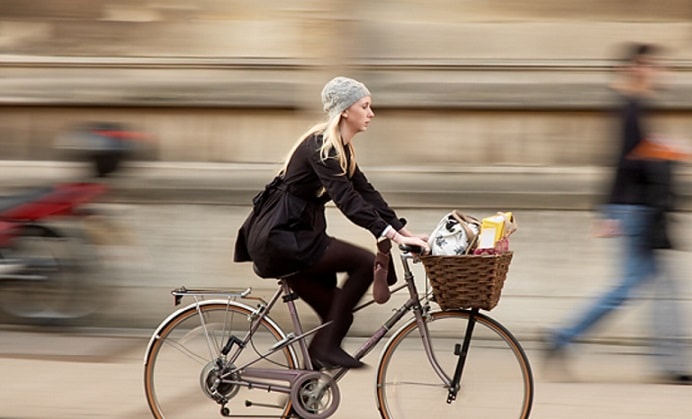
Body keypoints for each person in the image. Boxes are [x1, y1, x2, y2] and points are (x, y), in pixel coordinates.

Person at [234, 76, 430, 369]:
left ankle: (303, 397)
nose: (371, 113)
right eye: (365, 106)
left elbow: (367, 194)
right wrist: (396, 239)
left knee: (338, 315)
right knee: (364, 264)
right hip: (283, 240)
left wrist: (404, 231)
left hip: (300, 238)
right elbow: (348, 201)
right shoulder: (322, 148)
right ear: (345, 111)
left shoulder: (342, 149)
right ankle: (324, 351)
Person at [545, 43, 691, 383]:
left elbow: (635, 155)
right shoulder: (629, 108)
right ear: (637, 67)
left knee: (656, 284)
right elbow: (624, 161)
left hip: (637, 208)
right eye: (655, 66)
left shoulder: (636, 107)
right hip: (636, 210)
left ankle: (670, 362)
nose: (661, 72)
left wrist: (668, 149)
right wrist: (607, 210)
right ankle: (562, 336)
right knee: (629, 286)